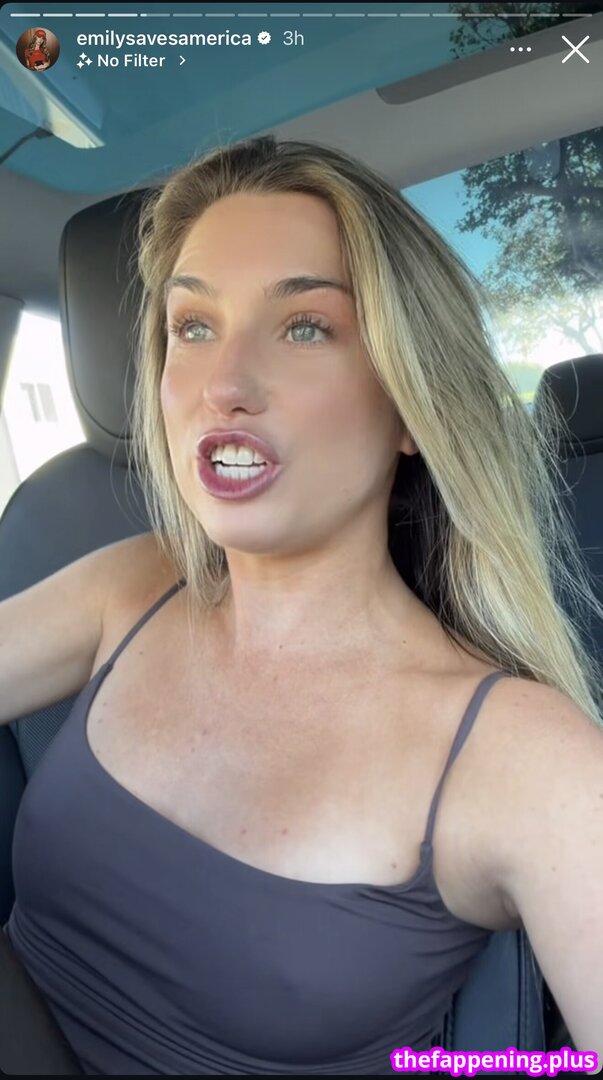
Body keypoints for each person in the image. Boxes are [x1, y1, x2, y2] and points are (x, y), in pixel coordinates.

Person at [5, 136, 603, 1075]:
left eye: (304, 328)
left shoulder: (524, 755)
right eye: (192, 326)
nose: (224, 386)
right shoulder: (136, 583)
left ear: (409, 402)